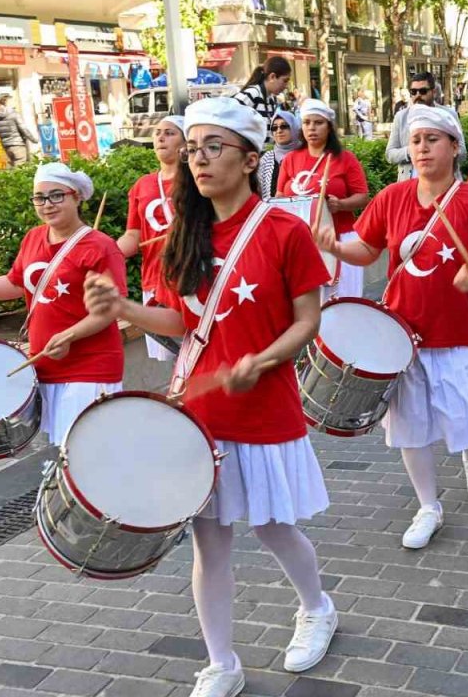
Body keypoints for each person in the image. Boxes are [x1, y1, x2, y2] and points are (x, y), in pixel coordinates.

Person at [83, 98, 338, 691]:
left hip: (265, 405)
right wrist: (123, 309)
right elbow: (181, 321)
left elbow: (308, 321)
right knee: (209, 539)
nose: (197, 160)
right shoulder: (183, 233)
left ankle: (317, 607)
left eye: (213, 147)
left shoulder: (283, 229)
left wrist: (266, 359)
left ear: (251, 159)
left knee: (275, 527)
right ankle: (221, 663)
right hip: (199, 408)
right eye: (192, 148)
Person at [317, 105, 468, 548]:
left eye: (432, 140)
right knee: (409, 424)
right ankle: (429, 505)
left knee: (459, 410)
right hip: (402, 333)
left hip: (456, 330)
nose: (422, 149)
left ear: (454, 147)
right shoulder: (392, 198)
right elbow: (367, 251)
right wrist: (335, 247)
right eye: (416, 141)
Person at [0, 163, 125, 445]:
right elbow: (15, 284)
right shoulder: (34, 238)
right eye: (40, 198)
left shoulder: (100, 246)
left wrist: (69, 335)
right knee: (63, 452)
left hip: (90, 367)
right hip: (45, 364)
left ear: (76, 197)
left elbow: (109, 309)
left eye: (56, 196)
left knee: (81, 452)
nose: (47, 204)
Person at [276, 99, 370, 298]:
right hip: (300, 243)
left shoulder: (345, 159)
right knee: (307, 303)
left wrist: (341, 205)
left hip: (340, 240)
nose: (312, 128)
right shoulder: (291, 159)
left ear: (329, 127)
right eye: (307, 122)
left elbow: (362, 197)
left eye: (318, 123)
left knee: (342, 302)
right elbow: (280, 197)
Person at [118, 115, 186, 362]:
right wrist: (108, 252)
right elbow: (133, 236)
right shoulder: (142, 185)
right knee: (172, 362)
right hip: (156, 282)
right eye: (158, 132)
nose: (160, 137)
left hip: (193, 279)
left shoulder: (198, 180)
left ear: (186, 142)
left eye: (170, 133)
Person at [387, 72, 466, 181]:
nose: (418, 95)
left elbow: (462, 152)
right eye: (413, 92)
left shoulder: (448, 114)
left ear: (433, 92)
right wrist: (412, 151)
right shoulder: (401, 117)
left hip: (445, 185)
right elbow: (390, 154)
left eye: (423, 91)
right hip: (410, 186)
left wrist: (439, 151)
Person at [236, 56, 293, 132]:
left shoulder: (272, 100)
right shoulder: (251, 94)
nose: (286, 86)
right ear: (272, 77)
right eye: (285, 81)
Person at [257, 109, 302, 199]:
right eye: (274, 128)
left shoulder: (304, 154)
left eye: (284, 126)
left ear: (294, 128)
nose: (279, 131)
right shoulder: (266, 158)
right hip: (272, 210)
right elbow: (259, 191)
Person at [0, 95, 39, 167]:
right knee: (20, 167)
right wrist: (34, 140)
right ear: (8, 102)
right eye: (13, 101)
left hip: (6, 146)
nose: (14, 103)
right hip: (18, 144)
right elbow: (24, 129)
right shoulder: (14, 114)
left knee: (13, 165)